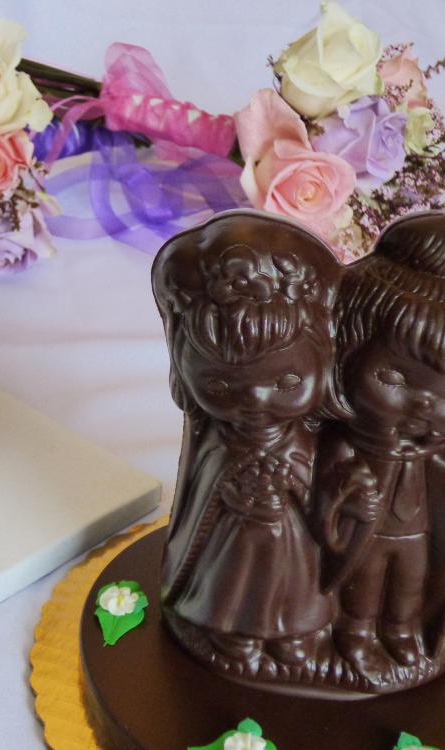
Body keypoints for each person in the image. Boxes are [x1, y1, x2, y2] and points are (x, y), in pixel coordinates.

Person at [316, 212, 445, 685]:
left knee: (408, 584)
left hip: (415, 534)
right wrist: (342, 498)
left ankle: (402, 633)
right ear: (345, 355)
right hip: (366, 538)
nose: (425, 406)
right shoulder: (335, 442)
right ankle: (355, 637)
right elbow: (314, 501)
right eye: (395, 378)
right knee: (363, 589)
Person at [153, 211, 344, 671]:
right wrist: (231, 490)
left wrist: (299, 487)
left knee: (295, 587)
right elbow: (200, 495)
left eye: (285, 383)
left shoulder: (310, 440)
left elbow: (326, 492)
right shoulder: (218, 443)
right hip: (232, 536)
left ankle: (294, 635)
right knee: (231, 584)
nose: (255, 402)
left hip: (293, 540)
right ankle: (229, 632)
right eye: (220, 387)